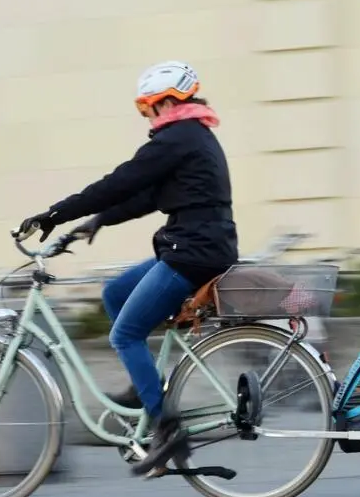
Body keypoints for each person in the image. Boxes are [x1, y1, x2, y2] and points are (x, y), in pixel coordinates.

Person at [14, 61, 239, 475]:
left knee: (126, 334)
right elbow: (148, 195)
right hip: (198, 246)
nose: (147, 117)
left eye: (146, 107)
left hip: (192, 252)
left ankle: (166, 427)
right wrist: (100, 220)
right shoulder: (192, 137)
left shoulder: (178, 137)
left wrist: (55, 213)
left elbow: (122, 180)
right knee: (115, 293)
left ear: (168, 102)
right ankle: (143, 390)